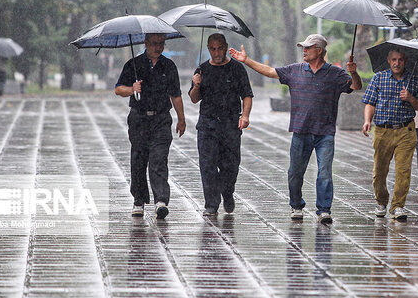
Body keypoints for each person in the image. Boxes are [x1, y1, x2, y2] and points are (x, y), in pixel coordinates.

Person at [229, 33, 362, 224]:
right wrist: (246, 60)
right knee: (295, 172)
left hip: (325, 133)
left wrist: (353, 72)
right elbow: (269, 71)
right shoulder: (295, 70)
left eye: (308, 48)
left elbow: (355, 86)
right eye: (303, 48)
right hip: (301, 131)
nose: (304, 51)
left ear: (320, 51)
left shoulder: (335, 74)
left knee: (324, 172)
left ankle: (324, 210)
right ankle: (296, 205)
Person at [115, 33, 186, 219]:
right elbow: (118, 89)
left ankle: (161, 200)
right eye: (154, 44)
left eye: (161, 44)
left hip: (161, 119)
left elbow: (176, 95)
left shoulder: (169, 66)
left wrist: (181, 118)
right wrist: (132, 89)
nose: (158, 47)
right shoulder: (133, 65)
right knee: (138, 159)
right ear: (146, 43)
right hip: (139, 119)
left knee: (159, 159)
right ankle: (138, 200)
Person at [188, 33, 253, 216]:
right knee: (207, 165)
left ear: (225, 47)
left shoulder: (237, 69)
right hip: (207, 124)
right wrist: (196, 85)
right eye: (213, 49)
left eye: (220, 48)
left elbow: (247, 95)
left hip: (230, 124)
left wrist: (245, 115)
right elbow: (194, 99)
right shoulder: (201, 70)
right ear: (209, 49)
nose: (217, 53)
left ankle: (228, 192)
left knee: (230, 165)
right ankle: (211, 203)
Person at [361, 49, 418, 220]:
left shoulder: (413, 79)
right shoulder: (379, 78)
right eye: (394, 60)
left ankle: (398, 206)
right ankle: (381, 201)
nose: (397, 63)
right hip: (383, 131)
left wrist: (410, 98)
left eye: (401, 60)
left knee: (403, 171)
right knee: (379, 171)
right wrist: (368, 120)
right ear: (389, 60)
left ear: (406, 61)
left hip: (406, 130)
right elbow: (370, 102)